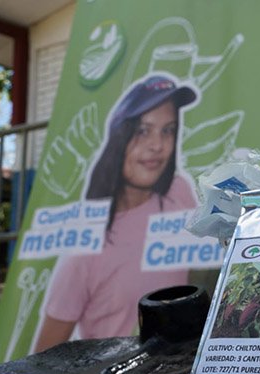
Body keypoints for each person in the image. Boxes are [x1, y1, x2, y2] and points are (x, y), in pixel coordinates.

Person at [35, 74, 199, 352]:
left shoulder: (178, 192)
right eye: (143, 131)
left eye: (167, 130)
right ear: (118, 137)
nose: (157, 145)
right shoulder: (85, 247)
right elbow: (41, 360)